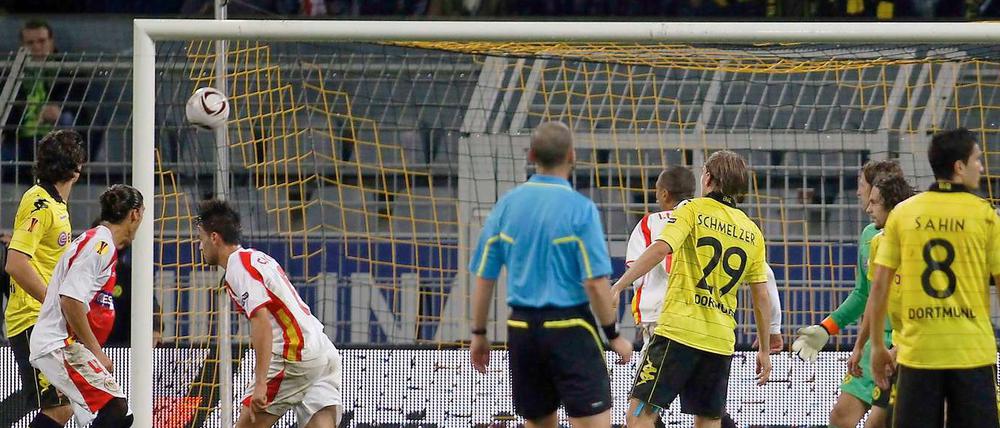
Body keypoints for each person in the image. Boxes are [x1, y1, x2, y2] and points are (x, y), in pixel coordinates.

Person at [468, 121, 632, 428]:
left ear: (531, 155)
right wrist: (613, 336)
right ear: (572, 155)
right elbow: (596, 284)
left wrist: (478, 334)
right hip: (570, 327)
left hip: (522, 329)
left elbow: (483, 277)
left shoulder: (506, 206)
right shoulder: (579, 209)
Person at [613, 166, 785, 428]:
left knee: (640, 414)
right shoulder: (751, 230)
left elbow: (660, 254)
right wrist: (770, 333)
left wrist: (618, 286)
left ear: (707, 179)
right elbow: (763, 287)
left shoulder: (682, 213)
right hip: (718, 336)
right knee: (709, 419)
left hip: (673, 327)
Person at [867, 128, 1000, 428]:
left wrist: (877, 346)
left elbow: (879, 286)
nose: (981, 166)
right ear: (959, 166)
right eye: (977, 159)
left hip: (919, 353)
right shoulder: (985, 215)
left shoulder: (903, 213)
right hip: (972, 352)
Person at [197, 199, 343, 427]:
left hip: (294, 354)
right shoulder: (256, 257)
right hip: (321, 348)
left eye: (201, 239)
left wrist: (261, 382)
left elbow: (261, 321)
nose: (200, 247)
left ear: (214, 238)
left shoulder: (237, 267)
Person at [791, 159, 904, 428]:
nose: (858, 193)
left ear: (880, 190)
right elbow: (863, 295)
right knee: (841, 416)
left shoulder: (910, 232)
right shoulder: (869, 236)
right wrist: (829, 329)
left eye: (861, 185)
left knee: (882, 422)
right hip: (874, 339)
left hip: (905, 342)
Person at [27, 184, 143, 427]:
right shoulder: (100, 245)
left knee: (67, 412)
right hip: (59, 344)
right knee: (117, 411)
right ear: (135, 214)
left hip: (63, 344)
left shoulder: (97, 241)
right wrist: (96, 351)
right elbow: (70, 299)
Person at [1, 129, 86, 426]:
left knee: (69, 404)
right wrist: (55, 303)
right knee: (60, 407)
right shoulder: (39, 202)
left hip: (45, 322)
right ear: (77, 169)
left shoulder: (55, 205)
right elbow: (15, 263)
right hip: (31, 321)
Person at [844, 174, 914, 428]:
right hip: (896, 349)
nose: (867, 208)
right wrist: (862, 346)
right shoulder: (876, 242)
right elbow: (874, 298)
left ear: (892, 205)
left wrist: (900, 348)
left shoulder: (915, 244)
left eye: (874, 202)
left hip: (920, 351)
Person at [3, 20, 88, 183]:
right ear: (22, 45)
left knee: (66, 119)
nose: (36, 47)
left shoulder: (69, 70)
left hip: (53, 136)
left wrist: (58, 109)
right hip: (19, 139)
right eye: (30, 43)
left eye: (41, 41)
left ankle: (68, 170)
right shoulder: (11, 75)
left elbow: (78, 103)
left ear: (51, 41)